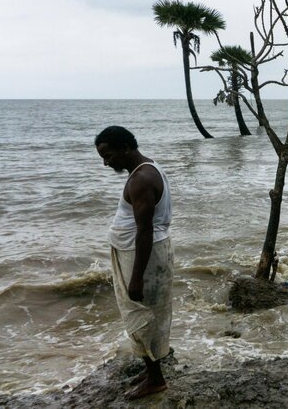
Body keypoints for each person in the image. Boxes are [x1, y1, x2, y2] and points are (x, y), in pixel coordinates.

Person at [95, 126, 173, 400]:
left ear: (126, 148)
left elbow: (145, 231)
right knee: (149, 313)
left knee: (139, 315)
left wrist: (136, 277)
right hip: (142, 251)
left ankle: (156, 379)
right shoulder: (146, 169)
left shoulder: (141, 179)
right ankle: (151, 369)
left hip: (140, 255)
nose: (106, 163)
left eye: (108, 155)